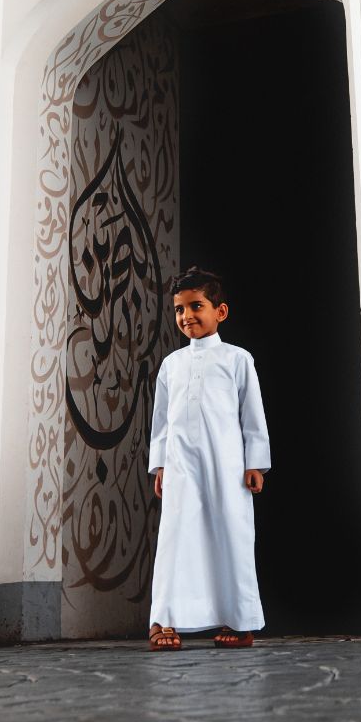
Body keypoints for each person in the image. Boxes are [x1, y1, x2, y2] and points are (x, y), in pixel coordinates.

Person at [146, 267, 271, 649]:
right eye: (179, 309)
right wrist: (160, 465)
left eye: (196, 306)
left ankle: (239, 620)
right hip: (180, 464)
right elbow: (161, 423)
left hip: (226, 464)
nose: (187, 316)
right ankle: (163, 620)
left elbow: (252, 416)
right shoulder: (171, 365)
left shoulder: (237, 359)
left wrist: (255, 463)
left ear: (221, 311)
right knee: (175, 538)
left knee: (231, 535)